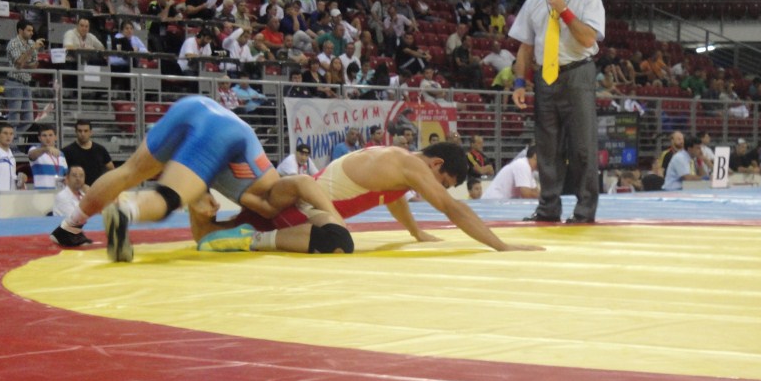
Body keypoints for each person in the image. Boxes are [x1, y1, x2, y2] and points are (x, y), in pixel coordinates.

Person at [51, 96, 350, 261]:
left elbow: (206, 232)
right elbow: (303, 183)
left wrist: (201, 194)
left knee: (128, 171)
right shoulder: (275, 198)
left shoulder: (252, 214)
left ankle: (70, 226)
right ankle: (127, 210)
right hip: (224, 135)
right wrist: (337, 219)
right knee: (169, 198)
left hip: (196, 106)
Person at [192, 143, 542, 254]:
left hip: (296, 210)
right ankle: (247, 237)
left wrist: (414, 232)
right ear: (436, 164)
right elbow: (452, 207)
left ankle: (199, 200)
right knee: (338, 242)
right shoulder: (409, 164)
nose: (437, 188)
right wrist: (500, 245)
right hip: (297, 211)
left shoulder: (398, 163)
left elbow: (392, 198)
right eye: (443, 180)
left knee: (207, 237)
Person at [510, 0, 605, 224]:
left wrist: (564, 10)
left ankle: (585, 211)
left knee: (582, 147)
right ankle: (548, 208)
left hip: (578, 73)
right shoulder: (534, 2)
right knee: (547, 147)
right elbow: (525, 47)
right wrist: (519, 82)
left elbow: (588, 39)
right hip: (545, 77)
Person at [4, 19, 44, 141]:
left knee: (29, 120)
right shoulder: (13, 43)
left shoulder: (31, 43)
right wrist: (31, 50)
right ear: (20, 30)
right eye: (29, 30)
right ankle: (11, 144)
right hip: (14, 82)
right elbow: (19, 63)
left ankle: (12, 140)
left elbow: (35, 65)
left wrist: (24, 64)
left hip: (26, 84)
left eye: (32, 30)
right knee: (14, 119)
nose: (32, 33)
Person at [61, 119, 114, 185]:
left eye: (86, 131)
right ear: (76, 132)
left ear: (90, 132)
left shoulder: (100, 149)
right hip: (76, 189)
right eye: (80, 131)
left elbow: (112, 169)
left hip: (97, 189)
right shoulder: (67, 151)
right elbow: (62, 174)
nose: (83, 134)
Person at [28, 125, 68, 189]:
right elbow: (31, 155)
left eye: (50, 135)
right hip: (42, 193)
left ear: (55, 137)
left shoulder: (61, 154)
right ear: (39, 138)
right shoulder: (35, 150)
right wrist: (46, 149)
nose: (48, 138)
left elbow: (65, 173)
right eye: (44, 135)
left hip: (58, 192)